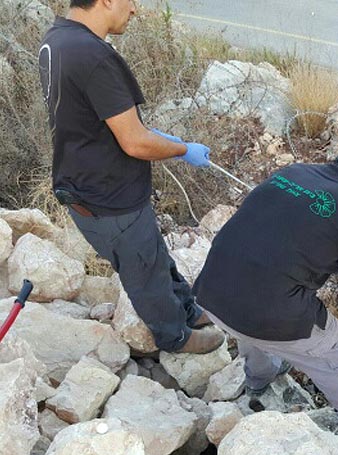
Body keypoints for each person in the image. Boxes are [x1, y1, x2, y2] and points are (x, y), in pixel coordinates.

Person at [38, 0, 224, 353]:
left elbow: (94, 117)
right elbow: (136, 143)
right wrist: (183, 149)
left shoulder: (57, 39)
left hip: (83, 184)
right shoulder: (95, 57)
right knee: (145, 272)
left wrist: (155, 136)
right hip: (108, 197)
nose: (135, 9)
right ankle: (175, 337)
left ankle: (188, 308)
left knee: (154, 255)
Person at [193, 138, 338, 455]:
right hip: (266, 315)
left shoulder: (291, 174)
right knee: (336, 351)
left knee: (258, 304)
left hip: (213, 293)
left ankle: (258, 380)